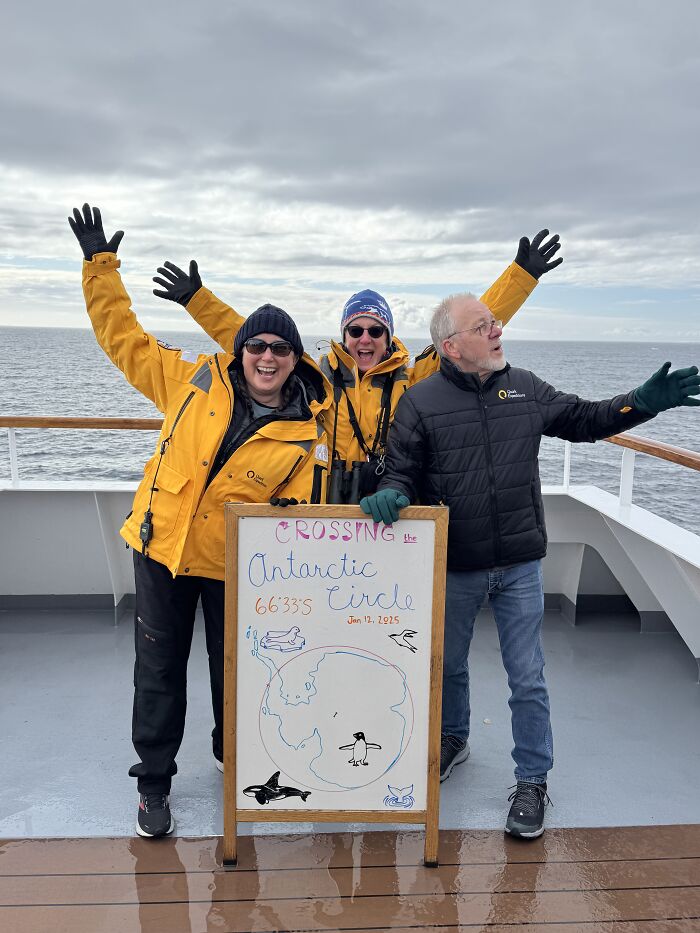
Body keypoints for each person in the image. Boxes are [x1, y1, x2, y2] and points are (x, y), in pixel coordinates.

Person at [359, 291, 700, 839]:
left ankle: (533, 780)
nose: (498, 331)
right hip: (457, 562)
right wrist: (391, 495)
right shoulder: (420, 403)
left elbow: (587, 419)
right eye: (484, 325)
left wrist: (643, 400)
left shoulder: (526, 387)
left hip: (519, 562)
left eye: (495, 323)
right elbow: (400, 471)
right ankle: (453, 738)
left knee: (528, 677)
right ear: (452, 345)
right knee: (447, 665)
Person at [68, 204, 331, 838]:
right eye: (257, 345)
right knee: (157, 668)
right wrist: (99, 267)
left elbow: (303, 518)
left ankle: (233, 756)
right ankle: (154, 782)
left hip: (235, 569)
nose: (267, 356)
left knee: (232, 670)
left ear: (295, 359)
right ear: (240, 350)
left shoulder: (309, 436)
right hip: (161, 552)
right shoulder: (189, 383)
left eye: (280, 349)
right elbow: (122, 338)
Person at [151, 230, 563, 500]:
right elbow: (255, 343)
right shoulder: (319, 374)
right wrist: (197, 300)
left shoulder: (414, 376)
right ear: (344, 335)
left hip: (391, 495)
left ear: (388, 338)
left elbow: (468, 334)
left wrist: (521, 276)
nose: (365, 339)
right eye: (356, 330)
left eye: (375, 331)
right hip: (324, 495)